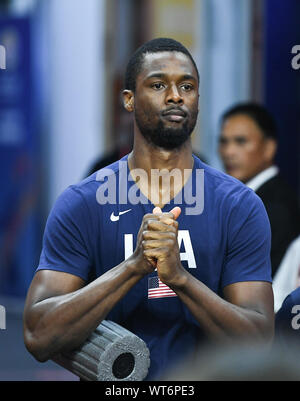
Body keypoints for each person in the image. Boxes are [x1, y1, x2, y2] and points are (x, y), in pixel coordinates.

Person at [23, 38, 274, 381]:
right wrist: (134, 266)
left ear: (198, 98)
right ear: (128, 99)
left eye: (187, 86)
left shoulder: (239, 206)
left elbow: (259, 339)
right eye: (158, 85)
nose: (175, 96)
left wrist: (180, 279)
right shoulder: (84, 202)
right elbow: (38, 334)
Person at [218, 103, 300, 277]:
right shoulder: (245, 200)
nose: (228, 151)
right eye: (223, 141)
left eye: (241, 141)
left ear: (269, 148)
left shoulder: (276, 207)